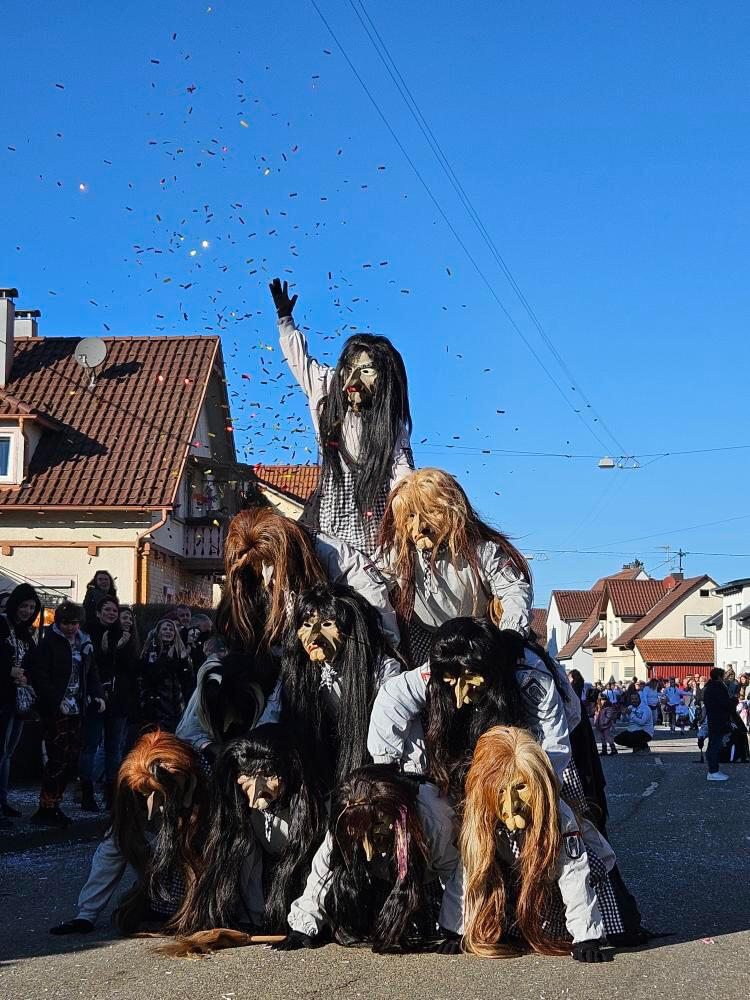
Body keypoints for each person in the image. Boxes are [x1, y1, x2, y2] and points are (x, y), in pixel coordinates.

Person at [270, 277, 413, 555]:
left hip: (374, 533)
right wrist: (285, 320)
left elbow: (402, 472)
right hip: (330, 521)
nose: (355, 379)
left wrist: (410, 503)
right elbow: (301, 362)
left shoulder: (390, 426)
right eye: (350, 368)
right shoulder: (327, 388)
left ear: (384, 380)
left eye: (367, 371)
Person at [161, 726, 328, 955]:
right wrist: (253, 918)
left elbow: (323, 867)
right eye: (247, 777)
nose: (256, 792)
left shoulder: (319, 810)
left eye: (268, 776)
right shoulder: (241, 811)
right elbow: (249, 864)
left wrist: (305, 922)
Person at [460, 726, 613, 962]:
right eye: (501, 790)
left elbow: (574, 873)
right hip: (512, 882)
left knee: (587, 868)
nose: (511, 803)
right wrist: (454, 929)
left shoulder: (559, 816)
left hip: (548, 884)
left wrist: (585, 936)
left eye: (521, 787)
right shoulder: (479, 815)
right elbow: (465, 870)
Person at [276, 763, 462, 953]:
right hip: (382, 881)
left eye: (376, 828)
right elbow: (324, 868)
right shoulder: (346, 817)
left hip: (426, 878)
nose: (368, 847)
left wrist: (457, 929)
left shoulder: (434, 818)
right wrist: (304, 925)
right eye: (358, 833)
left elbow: (456, 871)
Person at [49, 730, 210, 936]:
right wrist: (86, 915)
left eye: (159, 796)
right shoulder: (130, 784)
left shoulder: (203, 775)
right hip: (159, 889)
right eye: (148, 796)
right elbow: (113, 848)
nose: (156, 807)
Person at [215, 508, 399, 682]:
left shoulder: (331, 554)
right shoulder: (245, 575)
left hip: (346, 656)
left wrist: (382, 644)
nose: (265, 573)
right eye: (259, 566)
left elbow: (373, 594)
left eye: (269, 564)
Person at [376, 468, 532, 666]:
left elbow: (514, 590)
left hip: (479, 637)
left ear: (453, 510)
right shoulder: (396, 555)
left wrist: (511, 635)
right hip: (422, 641)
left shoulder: (482, 551)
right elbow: (368, 585)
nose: (420, 526)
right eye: (411, 516)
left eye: (431, 511)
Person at [280, 582, 401, 792]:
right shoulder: (296, 671)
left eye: (327, 624)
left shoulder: (382, 671)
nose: (314, 636)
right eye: (307, 625)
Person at [28, 602, 105, 827]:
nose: (71, 627)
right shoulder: (49, 643)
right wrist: (55, 700)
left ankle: (55, 804)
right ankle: (46, 805)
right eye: (66, 623)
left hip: (76, 706)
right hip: (57, 708)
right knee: (57, 757)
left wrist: (98, 695)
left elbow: (91, 672)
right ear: (59, 622)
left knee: (70, 757)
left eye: (74, 623)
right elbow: (40, 675)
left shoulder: (84, 643)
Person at [0, 583, 41, 822]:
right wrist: (10, 670)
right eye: (24, 605)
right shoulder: (2, 626)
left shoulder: (26, 633)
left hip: (19, 699)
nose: (27, 611)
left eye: (31, 607)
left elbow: (31, 662)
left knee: (7, 753)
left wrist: (25, 675)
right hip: (4, 696)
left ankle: (3, 801)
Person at [137, 618, 195, 733]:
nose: (168, 631)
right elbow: (152, 676)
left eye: (171, 629)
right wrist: (167, 660)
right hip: (155, 709)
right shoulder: (151, 651)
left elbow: (188, 681)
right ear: (158, 632)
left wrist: (184, 662)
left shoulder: (179, 652)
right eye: (164, 629)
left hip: (176, 707)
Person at [703, 667, 730, 782]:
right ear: (719, 677)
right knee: (715, 746)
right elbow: (724, 703)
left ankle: (714, 769)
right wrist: (733, 701)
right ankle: (713, 771)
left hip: (713, 719)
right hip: (718, 719)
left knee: (714, 744)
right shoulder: (717, 687)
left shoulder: (709, 687)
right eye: (723, 676)